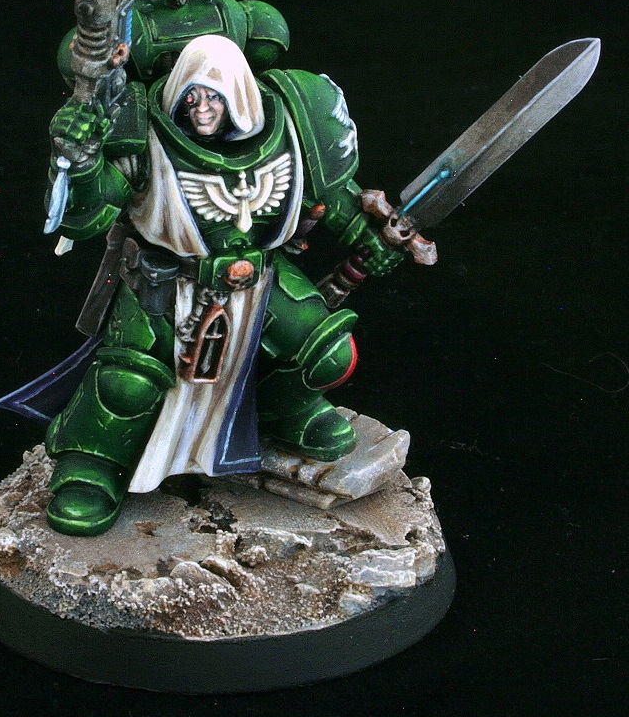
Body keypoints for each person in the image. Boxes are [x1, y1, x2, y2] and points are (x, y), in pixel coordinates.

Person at [43, 34, 404, 535]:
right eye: (190, 96)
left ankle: (281, 411)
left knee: (327, 352)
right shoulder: (145, 132)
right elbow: (87, 217)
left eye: (214, 97)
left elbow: (334, 196)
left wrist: (367, 236)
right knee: (127, 383)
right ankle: (90, 465)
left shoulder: (290, 125)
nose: (201, 109)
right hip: (168, 281)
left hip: (262, 279)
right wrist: (81, 161)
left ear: (238, 95)